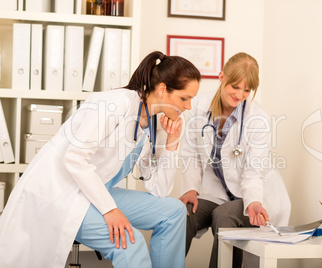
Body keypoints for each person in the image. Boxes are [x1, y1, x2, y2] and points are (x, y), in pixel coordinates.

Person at [0, 51, 201, 268]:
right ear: (163, 89)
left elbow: (159, 190)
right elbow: (74, 158)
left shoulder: (155, 123)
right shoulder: (115, 103)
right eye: (184, 98)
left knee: (174, 212)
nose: (188, 107)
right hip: (64, 193)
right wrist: (110, 210)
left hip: (96, 192)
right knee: (130, 242)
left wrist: (172, 143)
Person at [179, 52, 291, 268]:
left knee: (224, 217)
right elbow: (191, 153)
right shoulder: (199, 106)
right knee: (181, 214)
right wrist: (190, 189)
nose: (240, 94)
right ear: (222, 77)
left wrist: (254, 201)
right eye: (235, 87)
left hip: (253, 195)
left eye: (247, 89)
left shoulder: (257, 118)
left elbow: (253, 172)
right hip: (217, 192)